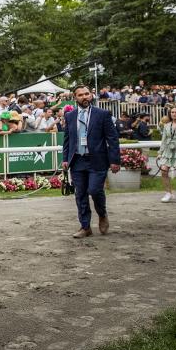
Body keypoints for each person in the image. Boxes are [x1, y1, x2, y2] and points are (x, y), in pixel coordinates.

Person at [61, 85, 120, 238]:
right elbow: (67, 140)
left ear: (91, 95)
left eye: (87, 94)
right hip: (77, 161)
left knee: (94, 190)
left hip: (97, 160)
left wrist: (115, 160)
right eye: (80, 95)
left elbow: (112, 138)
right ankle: (85, 227)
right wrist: (65, 159)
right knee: (80, 194)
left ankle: (102, 214)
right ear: (75, 98)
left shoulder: (103, 114)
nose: (85, 97)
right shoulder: (70, 116)